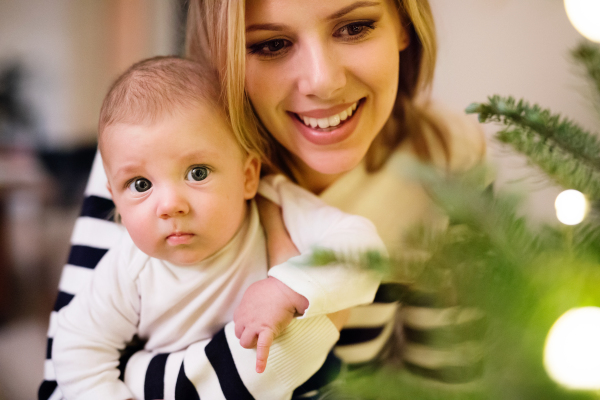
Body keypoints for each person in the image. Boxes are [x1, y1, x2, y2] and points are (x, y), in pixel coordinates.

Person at [39, 1, 487, 399]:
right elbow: (67, 376)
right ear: (226, 50)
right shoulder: (150, 145)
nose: (323, 82)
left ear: (404, 22)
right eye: (272, 44)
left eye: (354, 27)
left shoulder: (449, 161)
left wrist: (139, 376)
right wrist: (307, 335)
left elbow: (448, 385)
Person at [52, 56, 385, 400]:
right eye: (140, 184)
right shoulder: (128, 269)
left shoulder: (278, 206)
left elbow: (364, 251)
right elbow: (76, 348)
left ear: (248, 176)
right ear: (114, 200)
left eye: (197, 173)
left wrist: (286, 288)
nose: (169, 205)